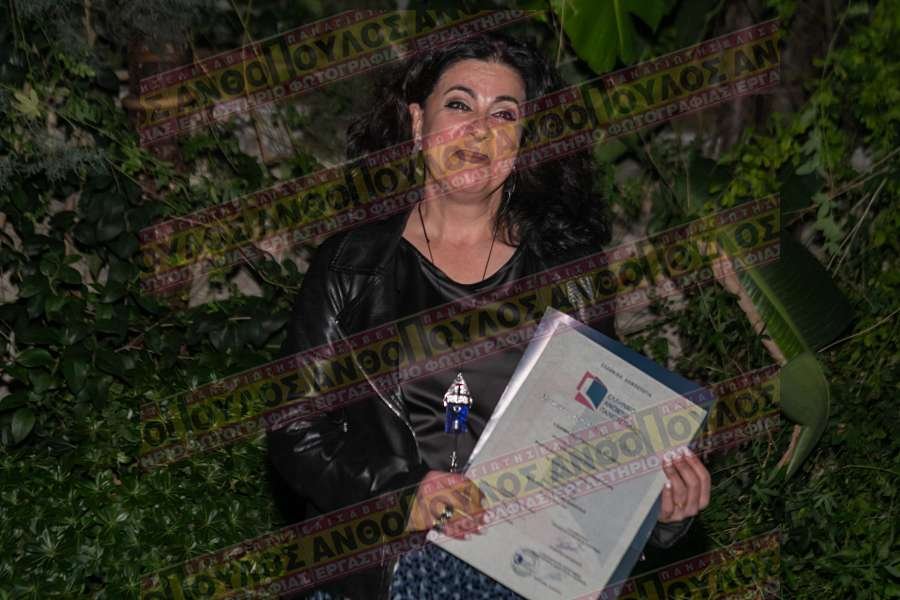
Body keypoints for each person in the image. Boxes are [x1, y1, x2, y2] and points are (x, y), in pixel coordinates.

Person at [267, 31, 710, 600]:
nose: (480, 129)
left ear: (524, 141)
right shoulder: (350, 264)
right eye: (459, 105)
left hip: (523, 571)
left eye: (504, 114)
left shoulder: (569, 275)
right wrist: (401, 498)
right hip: (381, 569)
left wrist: (662, 509)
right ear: (417, 124)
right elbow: (296, 431)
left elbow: (594, 449)